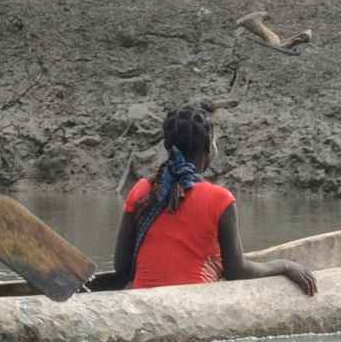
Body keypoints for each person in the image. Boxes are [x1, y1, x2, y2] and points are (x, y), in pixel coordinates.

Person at [94, 105, 318, 296]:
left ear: (167, 146)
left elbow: (121, 266)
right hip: (196, 300)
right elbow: (236, 272)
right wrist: (283, 265)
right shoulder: (220, 199)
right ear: (209, 146)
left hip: (142, 297)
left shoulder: (142, 189)